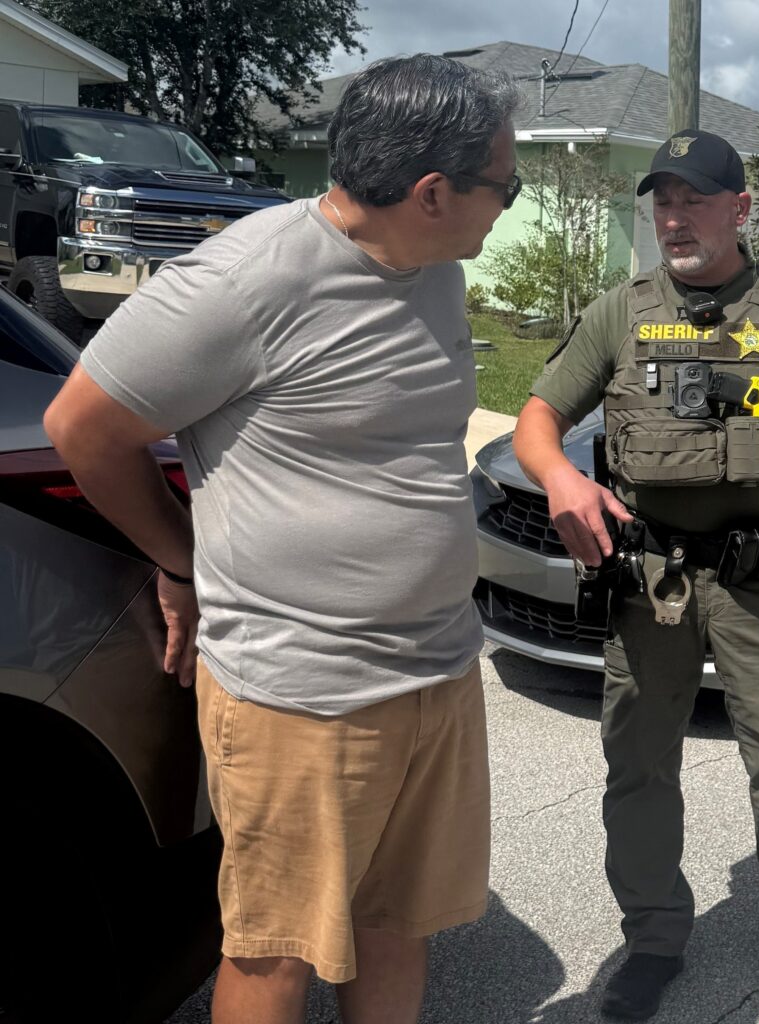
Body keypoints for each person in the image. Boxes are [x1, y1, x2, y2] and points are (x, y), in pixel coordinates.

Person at [44, 54, 520, 1024]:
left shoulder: (434, 273)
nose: (507, 205)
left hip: (435, 673)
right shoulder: (245, 279)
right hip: (301, 693)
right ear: (432, 194)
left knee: (396, 925)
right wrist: (177, 557)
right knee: (277, 951)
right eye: (503, 187)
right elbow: (83, 427)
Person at [513, 129, 759, 1024]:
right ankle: (652, 940)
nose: (674, 218)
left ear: (740, 208)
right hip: (650, 581)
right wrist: (562, 476)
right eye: (662, 201)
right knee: (638, 768)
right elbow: (536, 417)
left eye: (694, 199)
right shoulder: (621, 311)